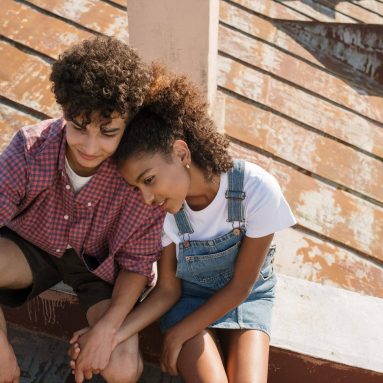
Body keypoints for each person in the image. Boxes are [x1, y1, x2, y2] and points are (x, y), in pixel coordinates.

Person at [71, 74, 296, 382]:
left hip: (248, 298)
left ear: (181, 153)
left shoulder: (256, 190)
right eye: (137, 188)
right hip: (187, 300)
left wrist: (178, 335)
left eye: (149, 180)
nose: (147, 198)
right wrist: (108, 336)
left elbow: (242, 286)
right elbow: (167, 289)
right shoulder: (161, 213)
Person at [0, 36, 166, 383]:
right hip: (31, 248)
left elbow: (137, 265)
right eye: (79, 127)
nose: (91, 146)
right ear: (63, 110)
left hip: (99, 273)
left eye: (108, 132)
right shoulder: (30, 149)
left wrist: (107, 329)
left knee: (123, 369)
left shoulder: (140, 175)